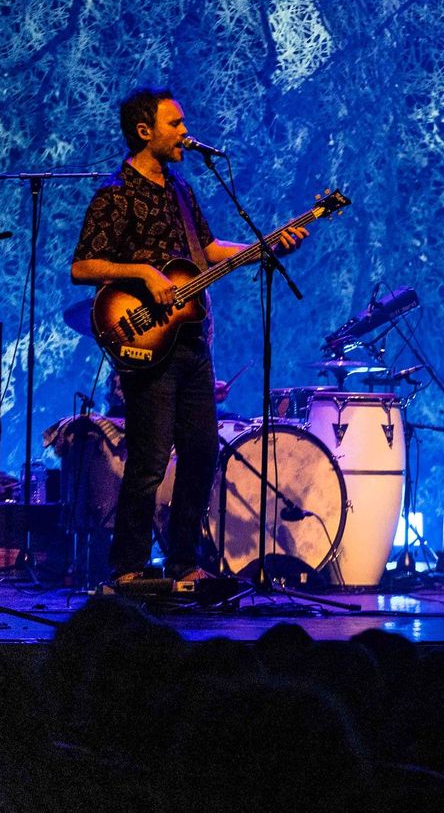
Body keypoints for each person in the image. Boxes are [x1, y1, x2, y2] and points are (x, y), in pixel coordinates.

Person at [71, 89, 306, 585]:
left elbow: (208, 249)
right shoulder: (117, 193)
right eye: (174, 124)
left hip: (195, 343)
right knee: (151, 459)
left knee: (202, 453)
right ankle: (130, 566)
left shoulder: (181, 190)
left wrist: (265, 247)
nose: (184, 132)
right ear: (144, 131)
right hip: (147, 344)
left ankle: (182, 562)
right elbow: (83, 266)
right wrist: (144, 273)